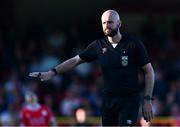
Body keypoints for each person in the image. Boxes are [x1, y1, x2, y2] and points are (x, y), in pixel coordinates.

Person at [29, 10, 155, 126]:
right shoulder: (98, 45)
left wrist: (148, 99)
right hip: (108, 101)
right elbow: (75, 60)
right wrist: (52, 72)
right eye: (104, 23)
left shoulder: (133, 44)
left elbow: (149, 71)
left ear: (119, 23)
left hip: (129, 100)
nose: (107, 25)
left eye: (110, 22)